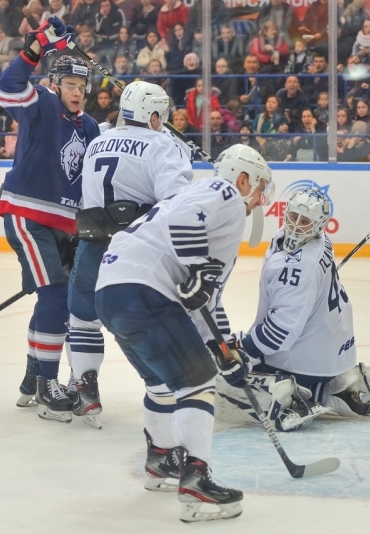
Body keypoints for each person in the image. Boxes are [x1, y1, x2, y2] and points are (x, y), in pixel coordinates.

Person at [95, 145, 273, 522]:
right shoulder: (222, 192)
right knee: (197, 384)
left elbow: (205, 302)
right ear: (243, 179)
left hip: (111, 294)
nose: (259, 201)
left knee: (162, 384)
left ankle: (162, 459)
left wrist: (224, 350)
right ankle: (196, 479)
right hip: (145, 291)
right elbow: (185, 226)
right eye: (259, 190)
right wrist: (199, 272)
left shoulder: (196, 199)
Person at [67, 81, 193, 429]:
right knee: (143, 324)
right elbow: (176, 206)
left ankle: (85, 386)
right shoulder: (164, 145)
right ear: (154, 116)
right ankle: (166, 396)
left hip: (93, 244)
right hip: (138, 251)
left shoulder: (98, 141)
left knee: (82, 319)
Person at [214, 187, 370, 431]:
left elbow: (280, 333)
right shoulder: (321, 242)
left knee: (220, 372)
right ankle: (343, 388)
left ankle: (288, 396)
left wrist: (243, 352)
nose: (296, 226)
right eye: (293, 217)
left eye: (305, 221)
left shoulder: (297, 269)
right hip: (336, 356)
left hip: (303, 364)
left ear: (319, 225)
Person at [0, 18, 100, 422]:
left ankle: (31, 377)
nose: (78, 92)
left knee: (53, 300)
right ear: (57, 85)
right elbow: (8, 86)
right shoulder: (41, 103)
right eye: (71, 86)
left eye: (82, 87)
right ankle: (47, 385)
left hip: (63, 228)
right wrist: (38, 45)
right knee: (56, 296)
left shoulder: (90, 127)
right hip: (27, 215)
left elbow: (92, 179)